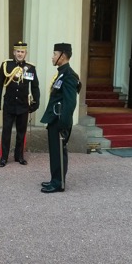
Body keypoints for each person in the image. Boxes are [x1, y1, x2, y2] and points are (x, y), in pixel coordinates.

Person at [40, 43, 81, 193]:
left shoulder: (69, 76)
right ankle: (55, 179)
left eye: (54, 54)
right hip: (54, 119)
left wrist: (63, 125)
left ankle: (59, 183)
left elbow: (70, 103)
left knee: (59, 151)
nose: (52, 57)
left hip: (60, 121)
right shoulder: (61, 74)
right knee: (54, 151)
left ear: (62, 56)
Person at [0, 41, 40, 167]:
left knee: (21, 132)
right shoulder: (6, 65)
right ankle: (4, 158)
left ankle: (19, 156)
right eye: (18, 51)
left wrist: (36, 102)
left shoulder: (30, 68)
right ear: (14, 52)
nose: (20, 54)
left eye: (22, 52)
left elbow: (35, 87)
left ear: (26, 53)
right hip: (9, 104)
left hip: (23, 105)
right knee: (6, 132)